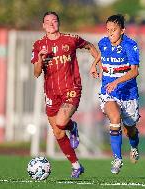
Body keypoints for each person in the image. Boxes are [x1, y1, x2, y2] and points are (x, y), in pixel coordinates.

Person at [31, 11, 99, 178]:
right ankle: (76, 166)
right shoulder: (39, 45)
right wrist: (40, 60)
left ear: (58, 23)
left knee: (62, 122)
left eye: (54, 21)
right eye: (48, 21)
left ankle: (72, 126)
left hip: (71, 88)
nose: (51, 24)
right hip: (51, 93)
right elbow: (36, 73)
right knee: (58, 133)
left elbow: (90, 45)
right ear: (43, 25)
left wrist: (96, 64)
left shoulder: (71, 39)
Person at [90, 14, 140, 174]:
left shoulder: (130, 45)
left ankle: (133, 146)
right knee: (115, 118)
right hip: (109, 93)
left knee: (130, 130)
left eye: (114, 30)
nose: (110, 33)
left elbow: (134, 71)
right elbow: (101, 54)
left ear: (123, 30)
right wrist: (94, 64)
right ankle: (117, 158)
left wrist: (117, 82)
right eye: (108, 30)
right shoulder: (103, 42)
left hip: (128, 94)